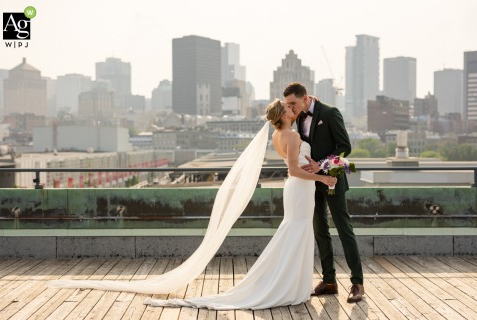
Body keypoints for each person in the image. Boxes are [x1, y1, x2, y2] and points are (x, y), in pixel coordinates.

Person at [48, 100, 336, 310]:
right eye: (288, 107)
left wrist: (312, 168)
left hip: (299, 188)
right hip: (300, 187)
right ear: (283, 114)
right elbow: (293, 170)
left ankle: (290, 285)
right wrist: (324, 179)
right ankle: (286, 286)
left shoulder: (277, 135)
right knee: (296, 231)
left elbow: (297, 165)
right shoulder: (293, 135)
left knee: (295, 231)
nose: (291, 108)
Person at [283, 82, 364, 303]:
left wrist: (322, 165)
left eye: (293, 103)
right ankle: (329, 281)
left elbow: (345, 146)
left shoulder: (330, 112)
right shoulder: (298, 117)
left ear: (305, 97)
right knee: (320, 230)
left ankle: (357, 283)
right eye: (287, 104)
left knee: (343, 228)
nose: (290, 107)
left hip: (333, 176)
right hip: (310, 182)